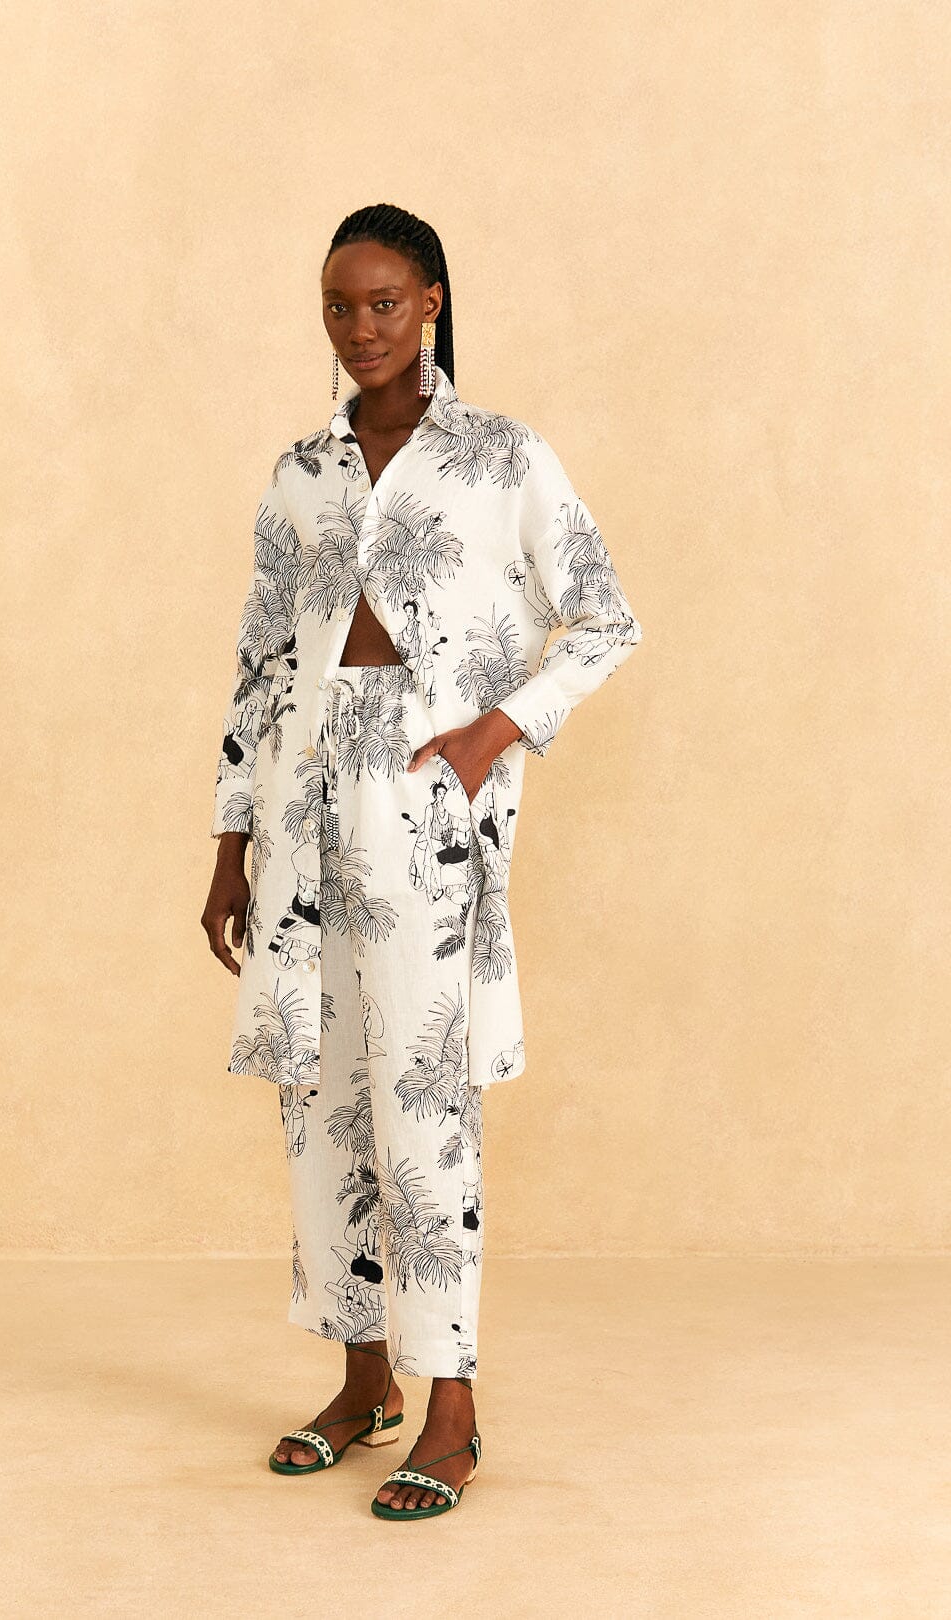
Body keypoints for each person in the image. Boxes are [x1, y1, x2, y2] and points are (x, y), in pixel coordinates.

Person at [201, 203, 643, 1520]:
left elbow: (604, 618)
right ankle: (360, 1383)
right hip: (300, 814)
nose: (360, 328)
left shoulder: (501, 456)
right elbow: (259, 665)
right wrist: (229, 842)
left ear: (433, 301)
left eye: (384, 302)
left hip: (426, 807)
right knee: (320, 1100)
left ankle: (451, 1407)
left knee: (424, 1103)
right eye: (339, 307)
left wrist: (494, 733)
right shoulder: (301, 472)